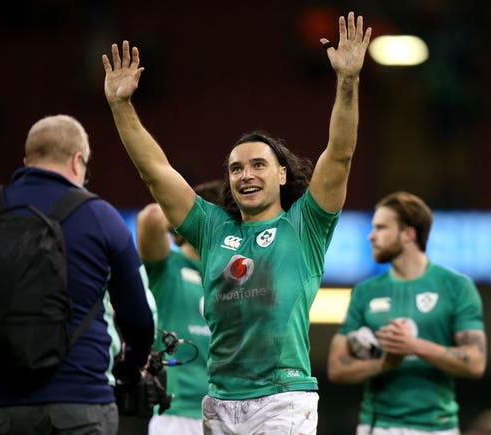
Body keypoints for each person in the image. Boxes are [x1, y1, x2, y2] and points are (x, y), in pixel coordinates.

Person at [103, 11, 371, 434]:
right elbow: (155, 170)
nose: (246, 175)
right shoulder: (212, 229)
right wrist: (121, 106)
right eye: (235, 169)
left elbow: (339, 154)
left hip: (284, 398)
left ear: (282, 174)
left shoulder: (306, 225)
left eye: (258, 165)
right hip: (219, 400)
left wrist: (348, 82)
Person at [0, 114, 155, 435]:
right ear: (78, 162)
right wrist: (133, 363)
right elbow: (138, 318)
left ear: (27, 161)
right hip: (78, 402)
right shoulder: (100, 215)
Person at [327, 191, 487, 435]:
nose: (371, 236)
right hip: (378, 427)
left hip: (438, 428)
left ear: (408, 234)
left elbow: (475, 363)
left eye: (381, 228)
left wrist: (413, 345)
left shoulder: (456, 286)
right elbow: (336, 368)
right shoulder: (365, 292)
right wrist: (385, 363)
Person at [137, 180, 223, 435]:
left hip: (227, 413)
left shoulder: (231, 276)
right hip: (177, 415)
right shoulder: (168, 267)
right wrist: (187, 215)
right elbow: (151, 218)